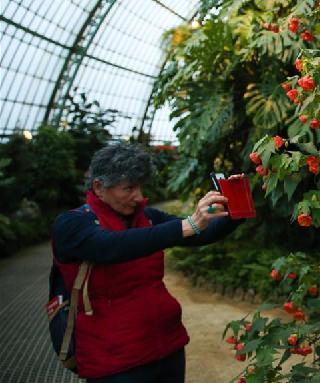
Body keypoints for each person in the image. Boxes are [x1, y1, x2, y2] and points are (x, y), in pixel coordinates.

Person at [52, 143, 243, 382]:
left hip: (168, 347)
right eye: (129, 188)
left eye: (140, 186)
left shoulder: (147, 217)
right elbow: (112, 246)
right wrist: (188, 224)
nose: (139, 196)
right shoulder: (71, 224)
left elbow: (200, 234)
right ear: (99, 187)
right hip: (114, 362)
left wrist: (239, 206)